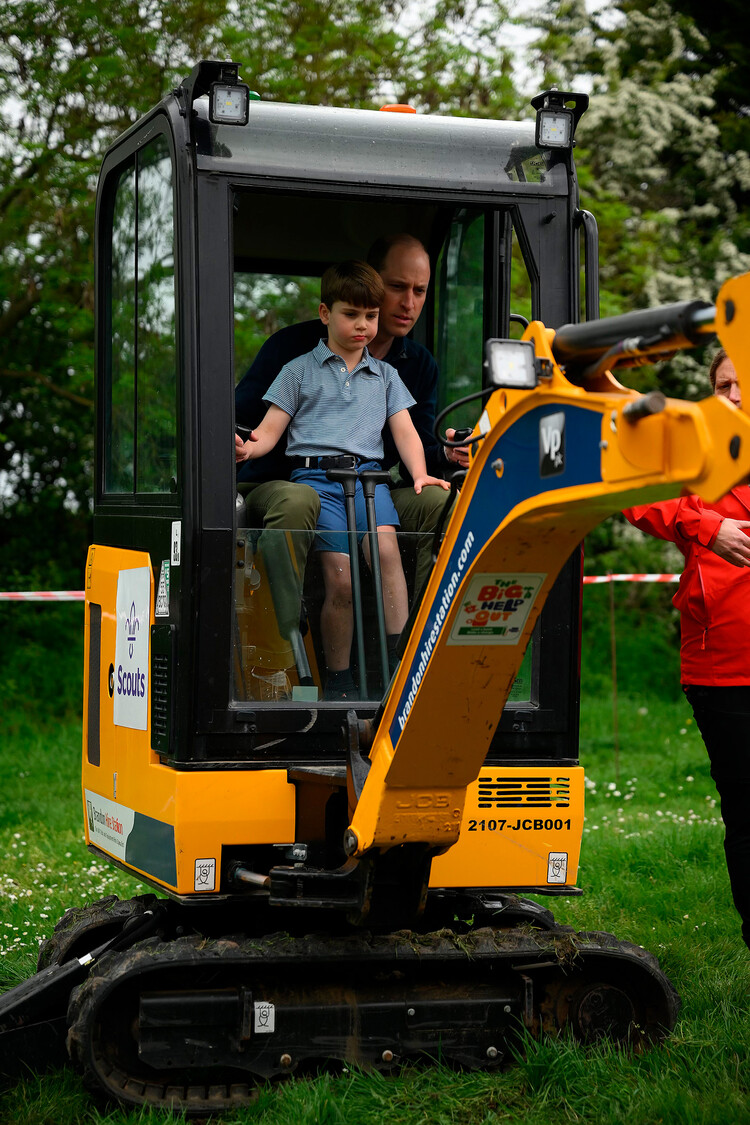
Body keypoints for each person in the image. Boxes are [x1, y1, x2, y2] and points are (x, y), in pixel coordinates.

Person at [237, 260, 449, 699]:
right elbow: (270, 430)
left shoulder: (387, 376)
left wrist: (422, 473)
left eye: (370, 316)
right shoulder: (298, 370)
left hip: (371, 482)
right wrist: (248, 448)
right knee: (341, 581)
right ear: (324, 314)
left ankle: (398, 662)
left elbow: (405, 431)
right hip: (318, 480)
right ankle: (339, 676)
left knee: (387, 555)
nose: (363, 326)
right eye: (351, 315)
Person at [234, 234, 468, 598]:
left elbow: (413, 442)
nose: (409, 303)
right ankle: (280, 650)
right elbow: (242, 423)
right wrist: (242, 448)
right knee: (298, 502)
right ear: (370, 281)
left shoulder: (416, 366)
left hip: (367, 486)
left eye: (420, 291)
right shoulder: (293, 353)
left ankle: (417, 646)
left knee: (442, 505)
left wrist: (446, 454)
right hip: (284, 481)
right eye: (397, 286)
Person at [625, 346, 750, 951]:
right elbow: (631, 493)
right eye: (722, 384)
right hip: (722, 665)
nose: (731, 396)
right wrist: (707, 527)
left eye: (741, 384)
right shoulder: (696, 449)